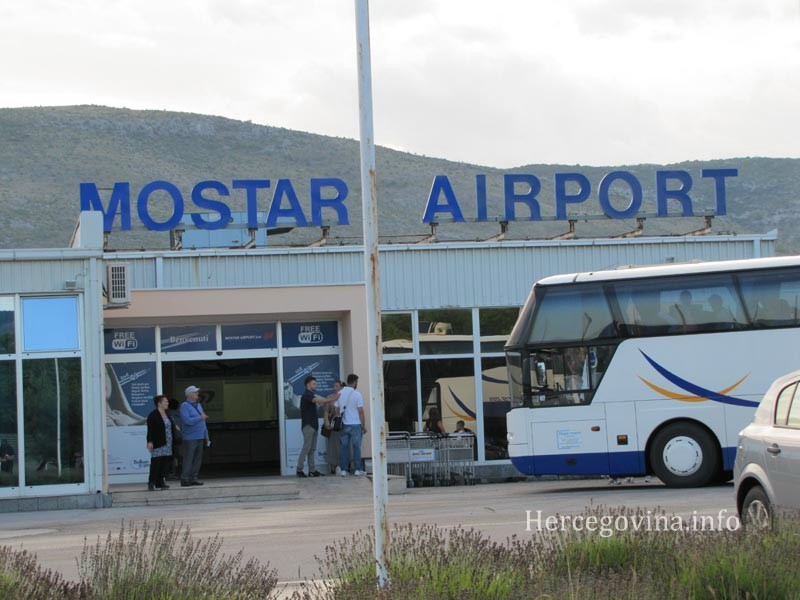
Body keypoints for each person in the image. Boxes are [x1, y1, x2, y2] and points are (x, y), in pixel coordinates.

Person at [297, 375, 335, 478]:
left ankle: (312, 471)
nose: (316, 385)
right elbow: (318, 400)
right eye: (314, 384)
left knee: (312, 449)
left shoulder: (311, 395)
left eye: (316, 383)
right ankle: (299, 470)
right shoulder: (307, 395)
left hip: (314, 426)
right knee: (307, 448)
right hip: (308, 426)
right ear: (308, 385)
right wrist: (330, 399)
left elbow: (320, 401)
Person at [335, 374, 366, 477]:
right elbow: (361, 411)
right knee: (356, 447)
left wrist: (340, 417)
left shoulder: (340, 393)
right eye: (357, 382)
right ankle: (357, 469)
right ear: (355, 382)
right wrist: (363, 425)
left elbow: (336, 409)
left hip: (344, 424)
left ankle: (344, 470)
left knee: (344, 447)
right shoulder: (357, 394)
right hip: (356, 424)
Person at [146, 394, 178, 491]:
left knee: (165, 463)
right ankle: (151, 482)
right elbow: (150, 430)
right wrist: (150, 441)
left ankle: (160, 482)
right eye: (165, 401)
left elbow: (170, 424)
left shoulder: (167, 413)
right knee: (156, 463)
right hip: (158, 442)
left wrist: (175, 427)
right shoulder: (153, 415)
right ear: (159, 403)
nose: (167, 403)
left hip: (168, 442)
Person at [179, 385, 208, 487]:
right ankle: (185, 479)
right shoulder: (184, 406)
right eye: (195, 392)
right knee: (189, 458)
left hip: (200, 436)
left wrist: (206, 435)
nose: (197, 394)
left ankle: (194, 478)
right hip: (190, 438)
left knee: (197, 459)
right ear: (190, 394)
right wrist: (199, 418)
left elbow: (203, 421)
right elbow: (187, 421)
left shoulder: (198, 404)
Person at [323, 381, 344, 474]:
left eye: (336, 386)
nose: (334, 387)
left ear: (341, 387)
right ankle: (334, 465)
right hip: (334, 424)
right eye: (334, 386)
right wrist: (326, 421)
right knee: (333, 445)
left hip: (344, 423)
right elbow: (326, 411)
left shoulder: (344, 397)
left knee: (344, 445)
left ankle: (344, 465)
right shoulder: (330, 397)